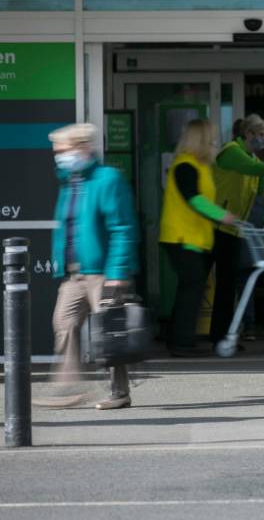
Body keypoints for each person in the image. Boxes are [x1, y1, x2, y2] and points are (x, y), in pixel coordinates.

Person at [34, 124, 138, 410]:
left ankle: (119, 393)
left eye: (63, 151)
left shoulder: (107, 179)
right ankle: (70, 385)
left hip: (103, 271)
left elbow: (122, 228)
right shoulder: (71, 181)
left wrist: (117, 273)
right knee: (64, 323)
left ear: (83, 148)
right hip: (75, 273)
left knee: (109, 334)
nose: (59, 157)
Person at [160, 119, 237, 357]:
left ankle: (176, 337)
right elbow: (193, 198)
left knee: (190, 286)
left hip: (195, 238)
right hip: (181, 237)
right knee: (192, 285)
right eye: (212, 137)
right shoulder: (186, 165)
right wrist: (221, 215)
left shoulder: (199, 165)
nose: (215, 142)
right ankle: (182, 342)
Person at [208, 113, 264, 346]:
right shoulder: (232, 151)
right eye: (261, 135)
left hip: (233, 229)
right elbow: (256, 170)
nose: (263, 140)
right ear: (249, 134)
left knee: (227, 285)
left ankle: (221, 334)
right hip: (217, 226)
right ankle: (197, 334)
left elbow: (260, 188)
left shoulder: (250, 156)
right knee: (219, 284)